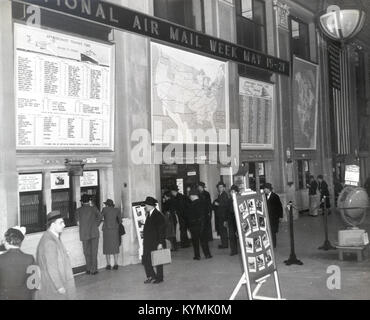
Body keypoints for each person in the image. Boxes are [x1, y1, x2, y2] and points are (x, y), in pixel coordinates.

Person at [35, 211, 76, 300]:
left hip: (54, 281)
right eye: (61, 222)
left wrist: (63, 254)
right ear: (53, 225)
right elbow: (51, 267)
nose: (64, 225)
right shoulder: (50, 242)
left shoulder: (53, 236)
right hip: (53, 285)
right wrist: (59, 286)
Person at [0, 226, 35, 300]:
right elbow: (34, 284)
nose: (4, 242)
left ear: (10, 241)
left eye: (5, 240)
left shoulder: (1, 259)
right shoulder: (30, 258)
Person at [75, 194, 102, 275]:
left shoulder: (78, 211)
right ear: (89, 201)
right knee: (94, 252)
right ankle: (94, 270)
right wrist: (96, 225)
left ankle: (88, 269)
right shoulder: (93, 208)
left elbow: (78, 223)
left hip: (84, 234)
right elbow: (100, 216)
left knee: (86, 252)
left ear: (82, 202)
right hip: (94, 233)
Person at [142, 197, 166, 284]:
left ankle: (159, 278)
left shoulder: (158, 215)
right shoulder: (149, 214)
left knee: (158, 259)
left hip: (156, 242)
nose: (145, 206)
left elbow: (161, 231)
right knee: (146, 259)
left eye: (146, 205)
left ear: (151, 205)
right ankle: (151, 276)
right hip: (148, 242)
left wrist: (160, 243)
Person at [187, 189, 212, 260]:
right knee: (204, 241)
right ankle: (207, 254)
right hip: (203, 225)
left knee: (195, 242)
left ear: (193, 196)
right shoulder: (203, 203)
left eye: (190, 196)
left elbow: (189, 217)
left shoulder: (191, 205)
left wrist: (189, 226)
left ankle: (197, 256)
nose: (190, 197)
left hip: (194, 226)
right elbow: (206, 215)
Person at [101, 199, 121, 270]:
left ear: (106, 205)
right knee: (115, 246)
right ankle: (116, 264)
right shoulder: (117, 210)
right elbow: (120, 220)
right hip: (115, 230)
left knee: (107, 247)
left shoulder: (104, 209)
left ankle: (108, 264)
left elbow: (100, 217)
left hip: (106, 230)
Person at [263, 183, 283, 248]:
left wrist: (280, 216)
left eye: (265, 189)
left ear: (269, 189)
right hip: (267, 217)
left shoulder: (275, 196)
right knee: (267, 231)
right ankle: (268, 243)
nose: (264, 190)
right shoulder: (264, 196)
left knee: (273, 231)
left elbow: (280, 207)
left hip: (274, 217)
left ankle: (273, 245)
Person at [213, 182, 229, 249]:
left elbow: (225, 205)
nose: (220, 188)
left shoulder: (224, 195)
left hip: (223, 215)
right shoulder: (220, 194)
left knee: (223, 230)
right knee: (222, 230)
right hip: (221, 215)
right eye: (219, 187)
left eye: (221, 187)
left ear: (224, 188)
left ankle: (224, 244)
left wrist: (218, 204)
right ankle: (223, 244)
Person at [226, 185, 239, 256]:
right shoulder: (229, 200)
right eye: (231, 192)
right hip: (231, 220)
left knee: (241, 235)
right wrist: (226, 220)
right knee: (231, 235)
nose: (232, 193)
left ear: (237, 192)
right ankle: (234, 250)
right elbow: (227, 211)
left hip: (239, 219)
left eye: (234, 192)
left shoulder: (240, 199)